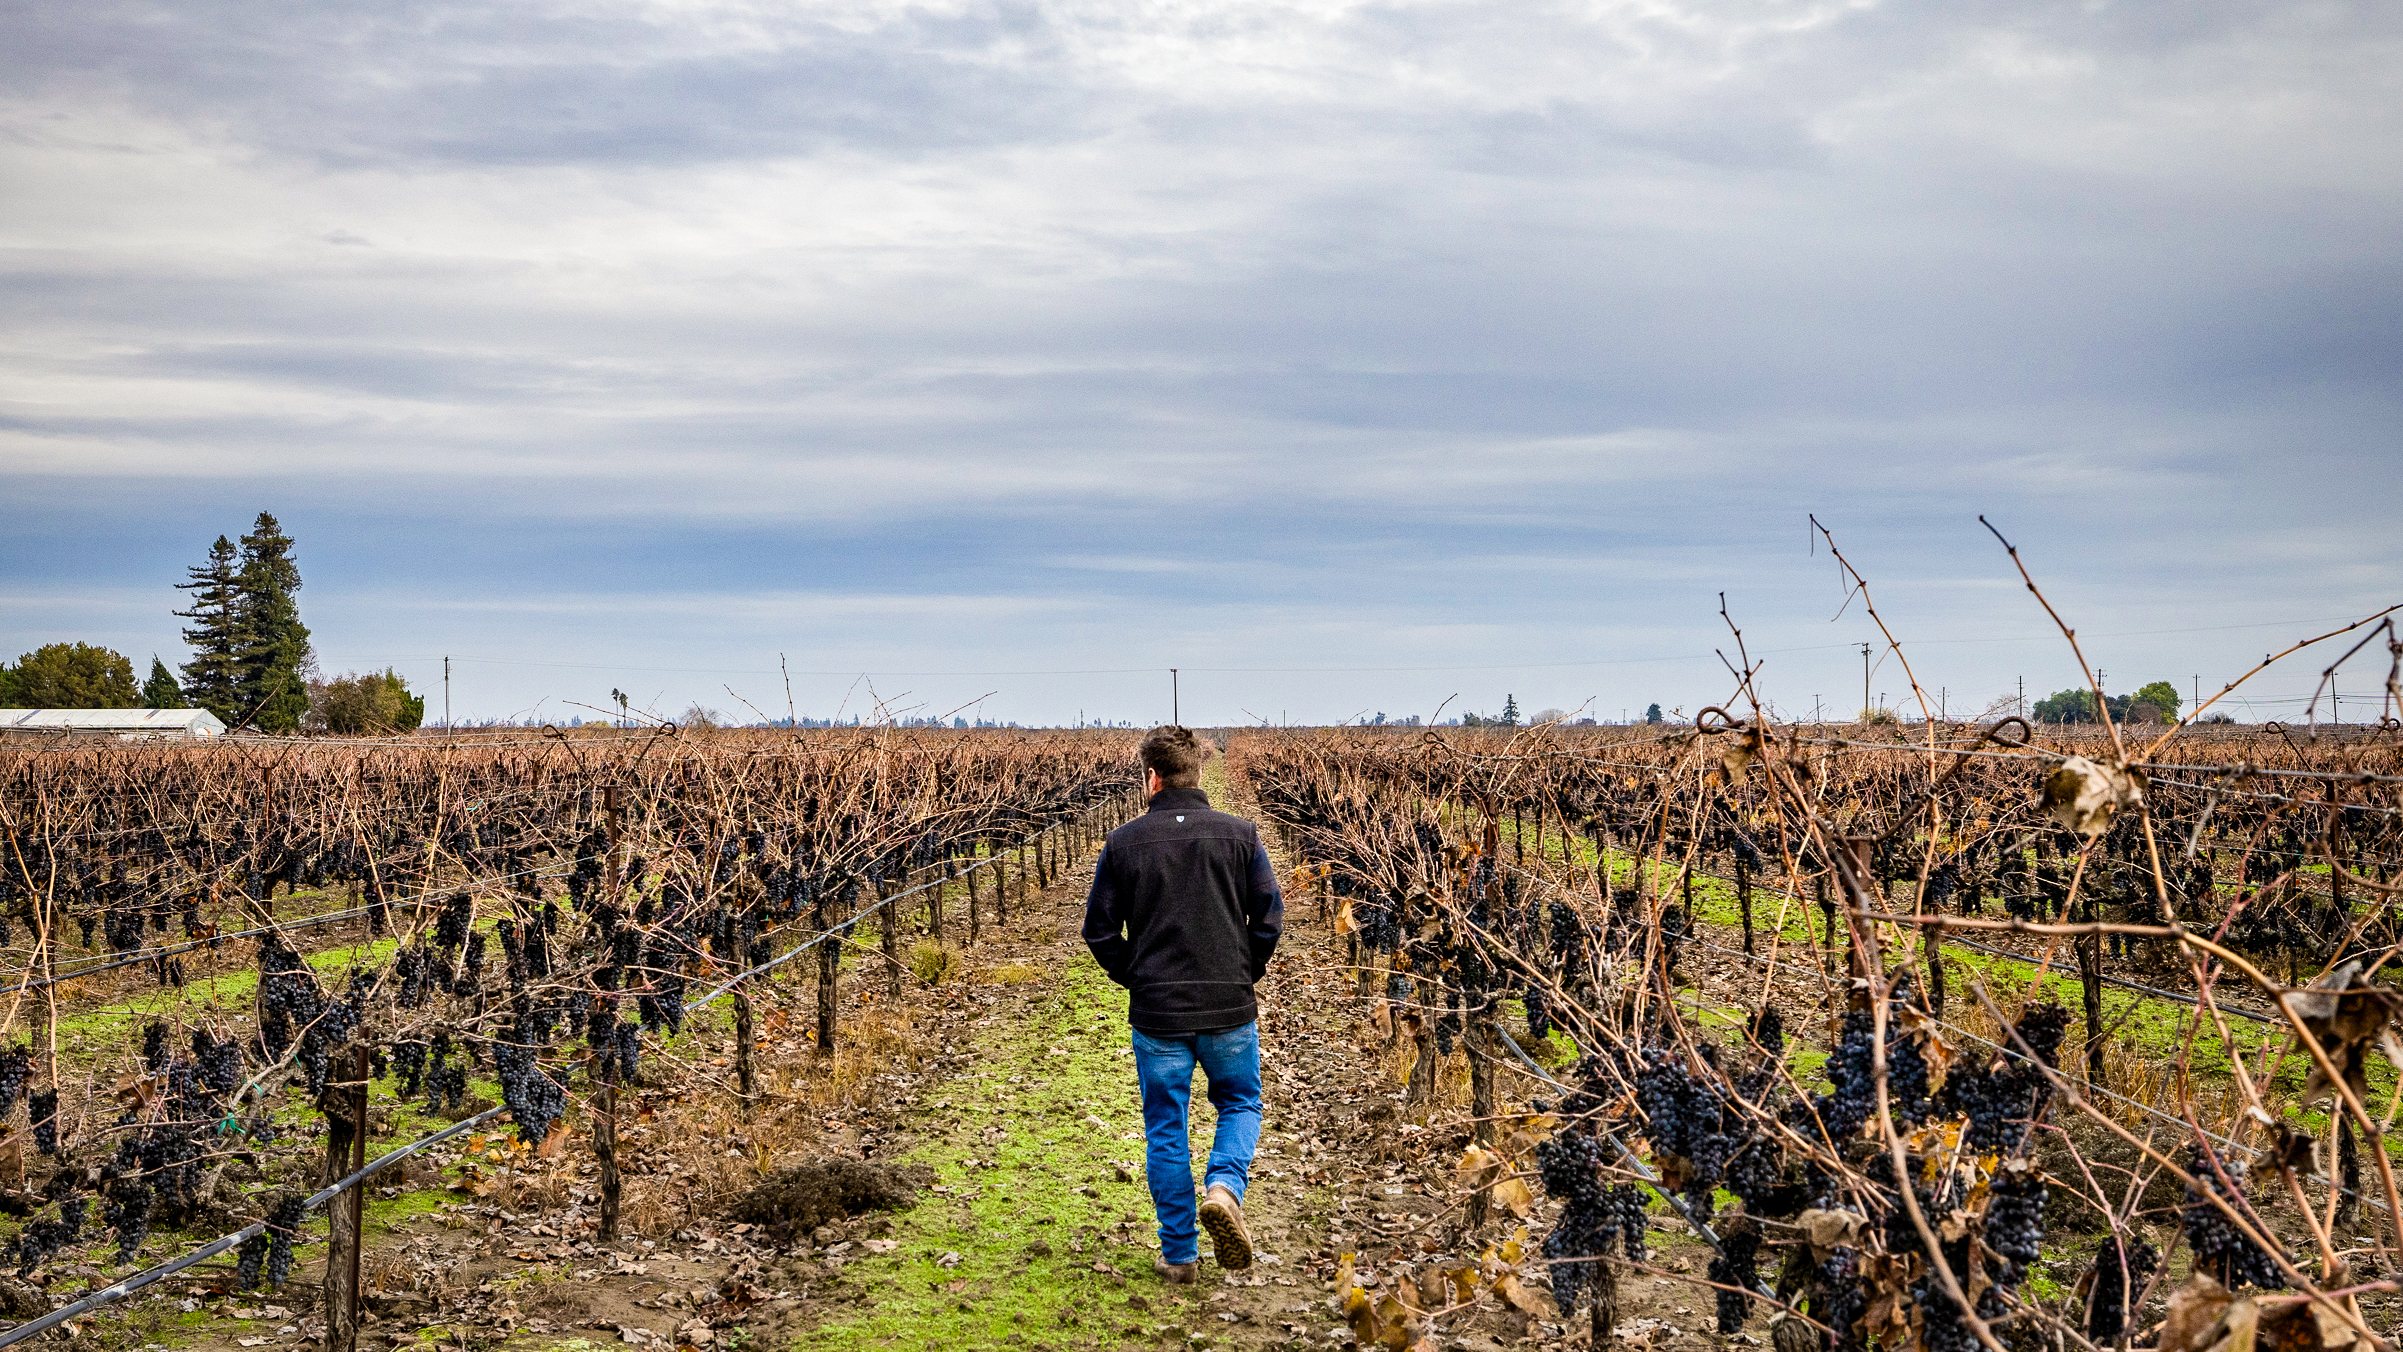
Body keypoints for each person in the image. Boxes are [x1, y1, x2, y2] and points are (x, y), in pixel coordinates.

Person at [1083, 725, 1284, 1282]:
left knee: (1166, 1128)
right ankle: (1223, 1187)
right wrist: (1244, 973)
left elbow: (1098, 931)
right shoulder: (1241, 836)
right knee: (1240, 1103)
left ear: (1151, 777)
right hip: (1228, 1009)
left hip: (1158, 1014)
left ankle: (1179, 1256)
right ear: (1198, 771)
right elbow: (1268, 919)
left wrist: (1138, 978)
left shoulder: (1123, 843)